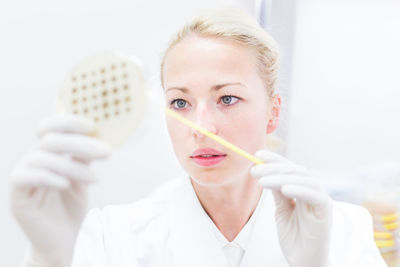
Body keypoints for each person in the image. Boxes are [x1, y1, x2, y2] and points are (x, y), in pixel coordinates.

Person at [11, 6, 386, 267]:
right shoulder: (114, 237)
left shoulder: (343, 231)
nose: (202, 127)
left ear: (273, 112)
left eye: (227, 98)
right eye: (180, 103)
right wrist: (47, 261)